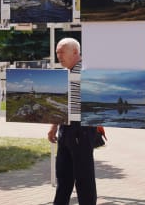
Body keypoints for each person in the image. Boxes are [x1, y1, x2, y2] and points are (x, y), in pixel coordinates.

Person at [48, 38, 97, 205]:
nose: (58, 56)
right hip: (66, 129)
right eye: (57, 53)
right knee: (63, 176)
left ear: (75, 52)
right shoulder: (68, 73)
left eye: (62, 52)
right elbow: (65, 103)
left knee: (84, 179)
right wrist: (54, 127)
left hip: (81, 130)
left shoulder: (86, 72)